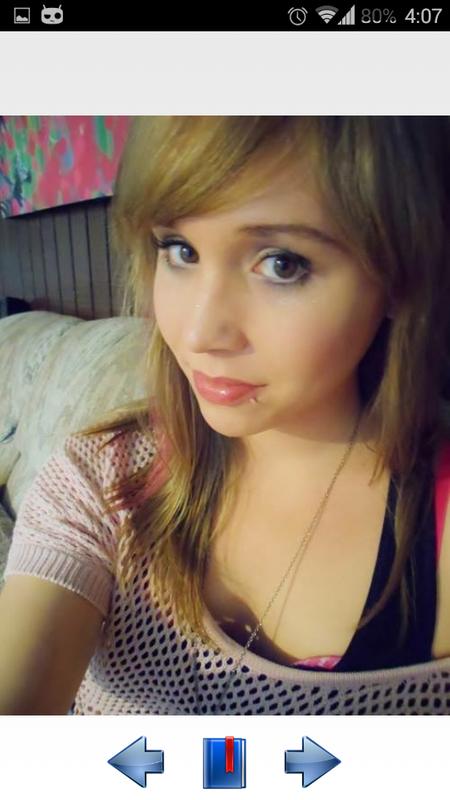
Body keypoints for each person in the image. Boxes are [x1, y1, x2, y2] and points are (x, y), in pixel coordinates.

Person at [0, 116, 449, 715]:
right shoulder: (102, 479)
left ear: (398, 277)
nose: (197, 332)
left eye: (282, 264)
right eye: (179, 250)